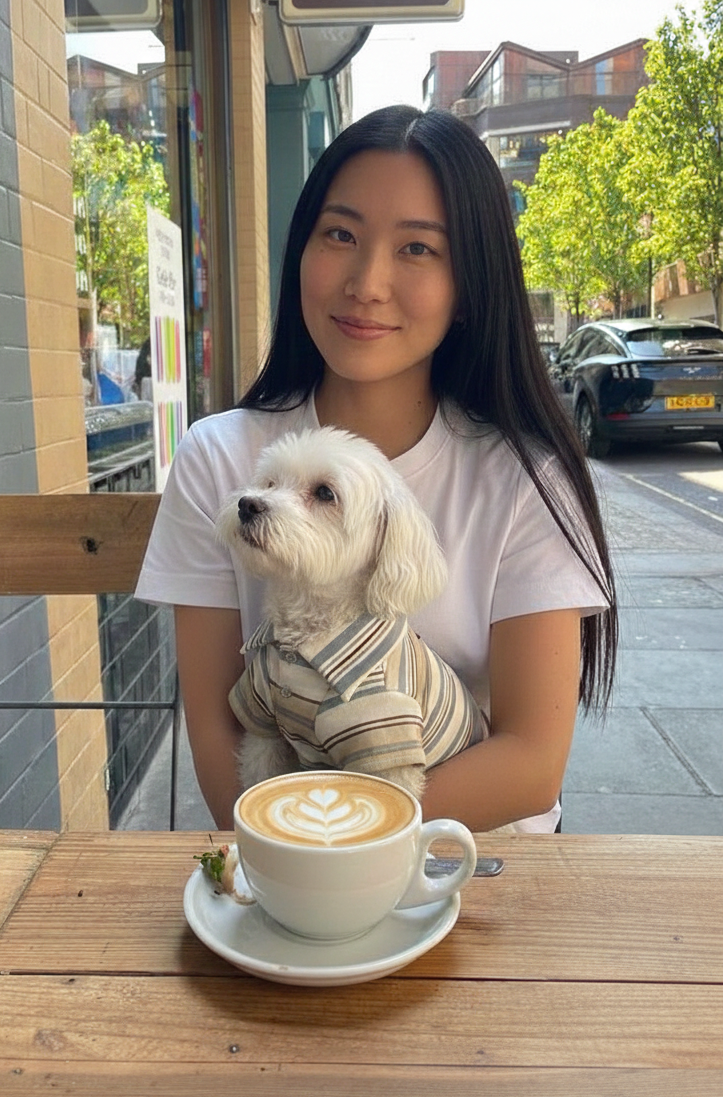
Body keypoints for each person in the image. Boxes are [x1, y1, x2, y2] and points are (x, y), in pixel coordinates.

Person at [135, 105, 617, 833]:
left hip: (481, 869)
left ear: (469, 286)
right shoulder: (219, 459)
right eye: (341, 234)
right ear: (301, 248)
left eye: (418, 249)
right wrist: (305, 859)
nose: (366, 280)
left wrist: (339, 835)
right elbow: (216, 730)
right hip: (287, 864)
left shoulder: (526, 479)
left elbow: (531, 758)